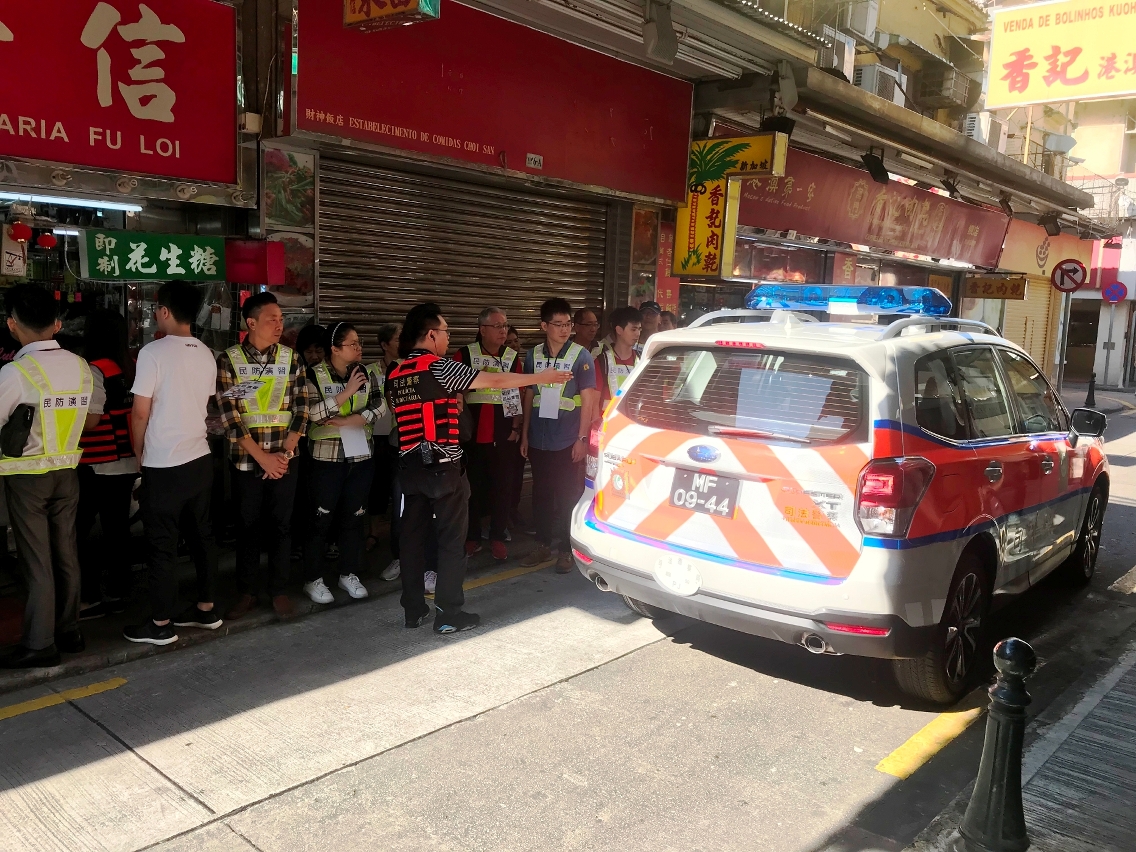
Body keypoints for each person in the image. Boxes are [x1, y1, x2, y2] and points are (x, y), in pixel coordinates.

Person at [387, 302, 570, 634]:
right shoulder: (439, 367)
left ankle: (413, 611)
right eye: (445, 332)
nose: (448, 338)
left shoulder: (395, 372)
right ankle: (448, 615)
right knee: (451, 543)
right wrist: (540, 377)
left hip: (409, 469)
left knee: (411, 542)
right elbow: (495, 380)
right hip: (443, 469)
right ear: (431, 334)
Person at [123, 281, 221, 646]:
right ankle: (206, 609)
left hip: (164, 463)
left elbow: (140, 413)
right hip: (200, 458)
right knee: (202, 537)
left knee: (162, 544)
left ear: (164, 311)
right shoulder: (206, 353)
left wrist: (139, 453)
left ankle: (161, 623)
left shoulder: (153, 353)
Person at [0, 285, 91, 668]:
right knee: (65, 552)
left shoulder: (15, 372)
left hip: (28, 477)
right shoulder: (81, 366)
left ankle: (40, 644)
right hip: (67, 473)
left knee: (37, 560)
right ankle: (69, 630)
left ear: (11, 324)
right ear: (56, 323)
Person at [217, 292, 310, 621]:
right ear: (251, 323)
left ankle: (279, 589)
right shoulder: (229, 359)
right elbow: (229, 415)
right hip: (247, 459)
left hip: (285, 458)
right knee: (247, 526)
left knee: (282, 525)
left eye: (281, 320)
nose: (279, 325)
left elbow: (302, 408)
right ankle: (247, 591)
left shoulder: (291, 358)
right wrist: (263, 458)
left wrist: (284, 454)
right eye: (272, 319)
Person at [302, 321, 384, 605]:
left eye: (359, 342)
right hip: (326, 459)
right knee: (320, 519)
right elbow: (313, 413)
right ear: (335, 349)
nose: (359, 348)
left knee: (354, 517)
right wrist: (347, 392)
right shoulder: (313, 374)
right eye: (353, 344)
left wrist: (355, 419)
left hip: (361, 456)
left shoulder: (366, 373)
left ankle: (348, 573)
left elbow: (380, 403)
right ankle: (313, 578)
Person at [519, 298, 600, 573]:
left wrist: (582, 438)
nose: (565, 329)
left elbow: (588, 399)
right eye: (558, 324)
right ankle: (542, 545)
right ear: (544, 326)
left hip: (567, 439)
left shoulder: (581, 356)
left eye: (568, 324)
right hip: (539, 437)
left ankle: (566, 549)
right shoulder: (533, 355)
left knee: (566, 495)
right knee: (541, 493)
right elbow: (529, 394)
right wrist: (525, 435)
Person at [76, 309, 138, 621]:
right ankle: (119, 592)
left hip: (98, 462)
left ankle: (89, 596)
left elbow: (92, 420)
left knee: (81, 531)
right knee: (117, 529)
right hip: (128, 459)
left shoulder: (94, 369)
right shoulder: (132, 366)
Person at [455, 307, 524, 561]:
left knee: (502, 487)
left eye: (505, 325)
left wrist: (516, 427)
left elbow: (516, 394)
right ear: (482, 329)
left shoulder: (512, 357)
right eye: (497, 326)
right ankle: (472, 536)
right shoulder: (465, 354)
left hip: (503, 434)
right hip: (471, 434)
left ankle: (497, 536)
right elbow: (454, 392)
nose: (503, 331)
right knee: (471, 488)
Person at [367, 323, 402, 582]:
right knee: (376, 487)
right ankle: (372, 532)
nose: (403, 342)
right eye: (398, 339)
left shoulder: (407, 368)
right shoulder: (369, 371)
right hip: (375, 437)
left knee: (397, 490)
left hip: (399, 438)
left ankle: (398, 542)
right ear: (384, 344)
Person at [595, 306, 642, 407]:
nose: (638, 334)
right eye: (633, 329)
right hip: (607, 417)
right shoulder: (602, 361)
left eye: (639, 329)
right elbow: (594, 401)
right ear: (619, 330)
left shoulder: (643, 360)